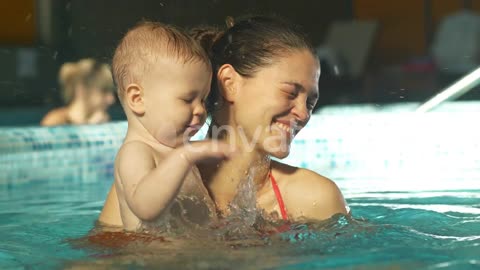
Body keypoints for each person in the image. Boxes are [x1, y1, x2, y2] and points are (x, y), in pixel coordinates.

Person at [192, 16, 350, 222]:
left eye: (310, 102)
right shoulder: (159, 188)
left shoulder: (313, 198)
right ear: (229, 83)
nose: (303, 114)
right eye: (290, 93)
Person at [98, 21, 234, 232]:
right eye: (188, 99)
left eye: (203, 100)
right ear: (138, 98)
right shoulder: (135, 152)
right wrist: (186, 156)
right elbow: (145, 208)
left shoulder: (175, 150)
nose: (200, 110)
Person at [41, 58, 116, 126]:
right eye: (104, 91)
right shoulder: (55, 121)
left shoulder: (102, 121)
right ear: (82, 90)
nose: (111, 99)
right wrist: (90, 128)